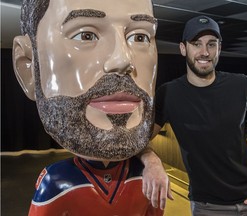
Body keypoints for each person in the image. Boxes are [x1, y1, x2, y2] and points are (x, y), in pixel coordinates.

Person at [12, 0, 164, 215]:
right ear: (29, 67)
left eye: (140, 37)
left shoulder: (145, 178)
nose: (123, 59)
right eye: (85, 35)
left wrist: (152, 162)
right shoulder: (56, 184)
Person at [141, 15, 247, 216]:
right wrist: (152, 162)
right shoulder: (169, 93)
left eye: (211, 44)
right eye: (196, 44)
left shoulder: (242, 85)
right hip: (208, 207)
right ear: (183, 48)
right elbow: (139, 140)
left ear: (219, 49)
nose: (204, 52)